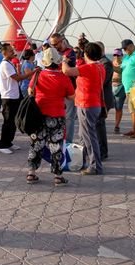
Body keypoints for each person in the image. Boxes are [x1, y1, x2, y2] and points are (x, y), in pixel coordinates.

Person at [26, 47, 75, 186]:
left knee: (36, 144)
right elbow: (72, 96)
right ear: (58, 62)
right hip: (57, 115)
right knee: (56, 146)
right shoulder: (64, 78)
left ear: (44, 62)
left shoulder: (38, 75)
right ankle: (58, 177)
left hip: (39, 115)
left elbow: (30, 91)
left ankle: (31, 173)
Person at [62, 42, 105, 175]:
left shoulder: (89, 67)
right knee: (83, 135)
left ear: (86, 54)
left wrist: (64, 60)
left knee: (89, 138)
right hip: (92, 104)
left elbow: (66, 71)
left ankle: (95, 166)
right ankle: (83, 161)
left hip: (87, 105)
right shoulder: (100, 67)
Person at [0, 43, 34, 154]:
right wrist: (32, 73)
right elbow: (17, 78)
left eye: (12, 50)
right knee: (8, 121)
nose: (12, 52)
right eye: (10, 51)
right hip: (8, 97)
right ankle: (2, 144)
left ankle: (9, 142)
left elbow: (16, 76)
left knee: (14, 120)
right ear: (4, 53)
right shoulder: (5, 64)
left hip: (14, 95)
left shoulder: (10, 63)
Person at [49, 33, 77, 142]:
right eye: (52, 44)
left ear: (62, 41)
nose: (54, 46)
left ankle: (68, 142)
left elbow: (66, 70)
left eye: (56, 44)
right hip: (56, 90)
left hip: (69, 89)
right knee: (56, 115)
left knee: (69, 117)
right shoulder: (54, 52)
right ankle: (57, 139)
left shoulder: (70, 53)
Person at [95, 42, 114, 159]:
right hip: (97, 98)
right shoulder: (99, 62)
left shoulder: (106, 63)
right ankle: (98, 149)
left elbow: (102, 81)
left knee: (99, 124)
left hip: (103, 99)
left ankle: (103, 151)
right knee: (97, 124)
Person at [111, 49, 126, 134]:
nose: (116, 56)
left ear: (121, 55)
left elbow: (119, 71)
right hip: (111, 87)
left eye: (118, 55)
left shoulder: (124, 64)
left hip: (121, 87)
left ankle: (117, 125)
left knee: (118, 107)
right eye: (115, 55)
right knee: (106, 106)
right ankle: (99, 122)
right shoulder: (110, 63)